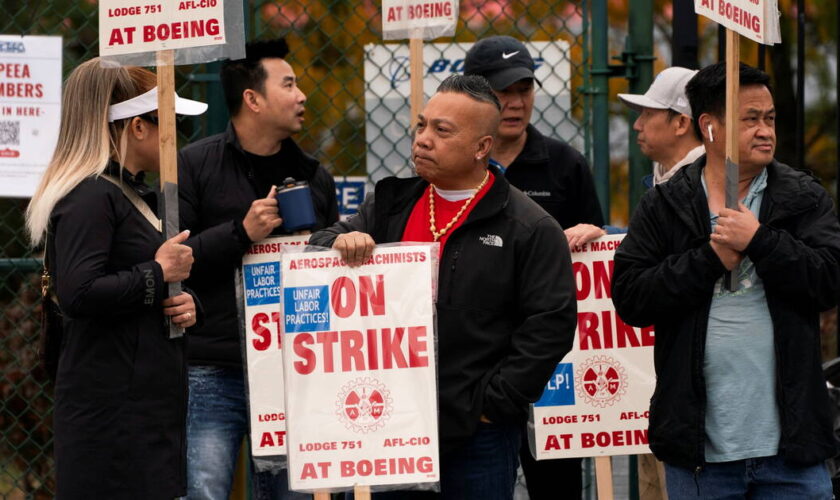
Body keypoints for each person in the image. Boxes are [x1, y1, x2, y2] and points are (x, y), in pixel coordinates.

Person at [311, 74, 577, 499]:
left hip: (479, 435)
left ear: (482, 148)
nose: (423, 139)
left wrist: (492, 406)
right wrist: (339, 242)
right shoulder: (390, 206)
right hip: (390, 425)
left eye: (442, 130)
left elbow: (550, 325)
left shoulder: (529, 226)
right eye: (421, 125)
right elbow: (318, 247)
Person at [612, 62, 840, 498]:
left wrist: (760, 241)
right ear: (709, 127)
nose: (765, 131)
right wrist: (710, 257)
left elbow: (829, 281)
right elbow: (632, 298)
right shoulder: (666, 204)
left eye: (769, 118)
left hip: (792, 452)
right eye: (749, 119)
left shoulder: (802, 197)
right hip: (701, 455)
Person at [25, 58, 205, 498]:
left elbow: (132, 285)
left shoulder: (123, 192)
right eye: (170, 124)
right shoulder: (91, 195)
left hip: (138, 408)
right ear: (138, 127)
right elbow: (79, 292)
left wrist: (181, 299)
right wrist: (159, 273)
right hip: (111, 418)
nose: (175, 140)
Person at [177, 38, 338, 500]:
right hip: (212, 366)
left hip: (293, 369)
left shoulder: (312, 173)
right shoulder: (195, 165)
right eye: (288, 84)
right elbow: (174, 263)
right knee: (203, 490)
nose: (302, 94)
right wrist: (241, 232)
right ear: (253, 99)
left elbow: (327, 274)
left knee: (296, 492)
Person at [463, 35, 601, 498]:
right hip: (476, 364)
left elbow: (596, 258)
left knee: (556, 486)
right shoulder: (454, 165)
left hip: (549, 364)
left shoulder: (565, 165)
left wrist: (597, 236)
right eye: (503, 91)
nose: (516, 102)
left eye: (524, 89)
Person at [565, 66, 704, 250]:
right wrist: (606, 236)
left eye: (648, 114)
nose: (637, 125)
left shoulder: (708, 184)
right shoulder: (672, 179)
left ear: (681, 123)